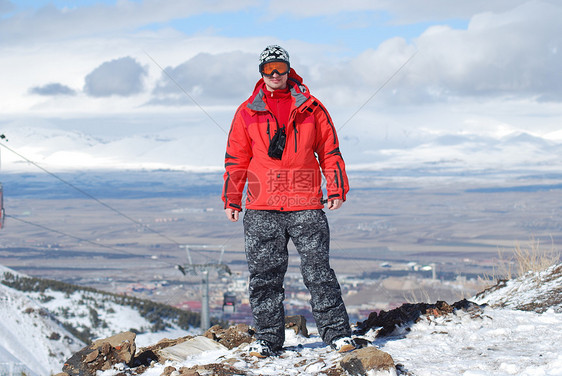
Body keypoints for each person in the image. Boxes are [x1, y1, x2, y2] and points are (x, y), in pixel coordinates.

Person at [222, 45, 355, 357]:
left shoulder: (312, 108)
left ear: (288, 69)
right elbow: (236, 159)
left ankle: (337, 335)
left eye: (280, 68)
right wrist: (232, 198)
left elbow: (330, 151)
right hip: (261, 206)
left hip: (306, 202)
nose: (275, 75)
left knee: (319, 272)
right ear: (261, 73)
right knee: (264, 278)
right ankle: (268, 339)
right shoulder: (247, 111)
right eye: (268, 69)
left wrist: (335, 189)